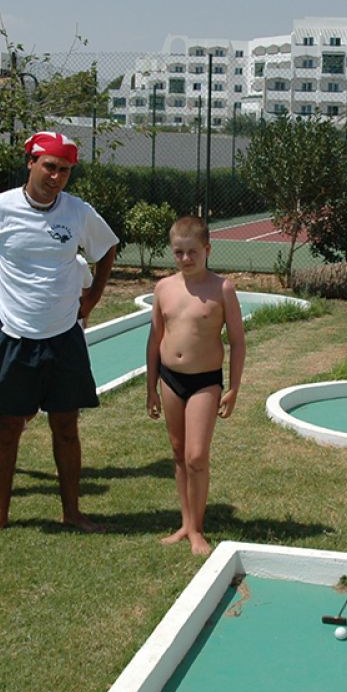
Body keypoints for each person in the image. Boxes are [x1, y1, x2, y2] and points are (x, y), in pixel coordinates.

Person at [0, 131, 119, 539]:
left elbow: (106, 247)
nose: (56, 177)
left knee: (66, 427)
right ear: (31, 163)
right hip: (14, 336)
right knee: (6, 431)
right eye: (49, 166)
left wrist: (92, 297)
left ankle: (72, 512)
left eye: (65, 170)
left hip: (64, 335)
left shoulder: (78, 212)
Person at [145, 216, 246, 557]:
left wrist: (233, 388)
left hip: (205, 381)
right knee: (178, 452)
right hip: (170, 379)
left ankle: (198, 529)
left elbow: (238, 342)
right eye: (179, 252)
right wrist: (151, 386)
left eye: (192, 252)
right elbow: (154, 339)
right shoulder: (163, 288)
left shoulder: (222, 289)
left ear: (207, 250)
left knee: (197, 455)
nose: (186, 259)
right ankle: (186, 523)